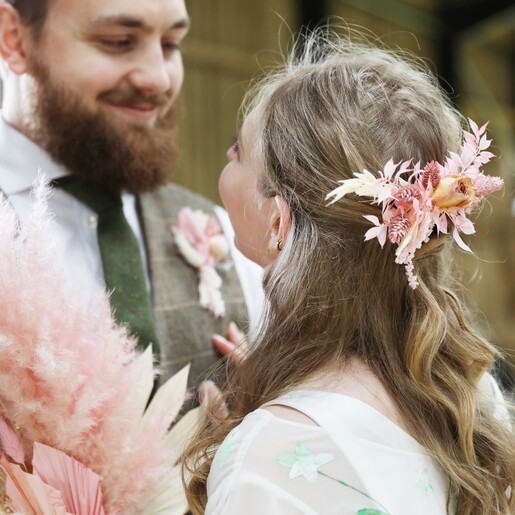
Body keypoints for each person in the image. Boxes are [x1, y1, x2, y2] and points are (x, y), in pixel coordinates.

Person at [182, 32, 515, 514]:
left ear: (278, 221)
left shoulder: (268, 458)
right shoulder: (468, 396)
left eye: (237, 150)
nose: (226, 160)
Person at [0, 0, 262, 391]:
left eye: (171, 44)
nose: (159, 79)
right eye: (119, 41)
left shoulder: (229, 238)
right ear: (14, 39)